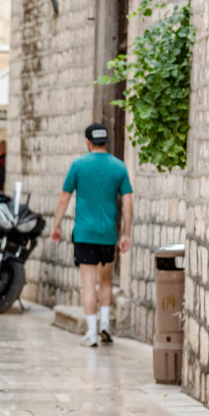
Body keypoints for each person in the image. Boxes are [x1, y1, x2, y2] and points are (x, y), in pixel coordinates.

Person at [49, 123, 133, 347]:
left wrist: (56, 225)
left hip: (85, 233)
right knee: (106, 280)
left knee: (88, 284)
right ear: (106, 142)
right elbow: (128, 201)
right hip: (108, 233)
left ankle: (92, 333)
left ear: (88, 142)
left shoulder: (78, 165)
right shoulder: (119, 166)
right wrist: (126, 233)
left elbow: (64, 198)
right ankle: (105, 323)